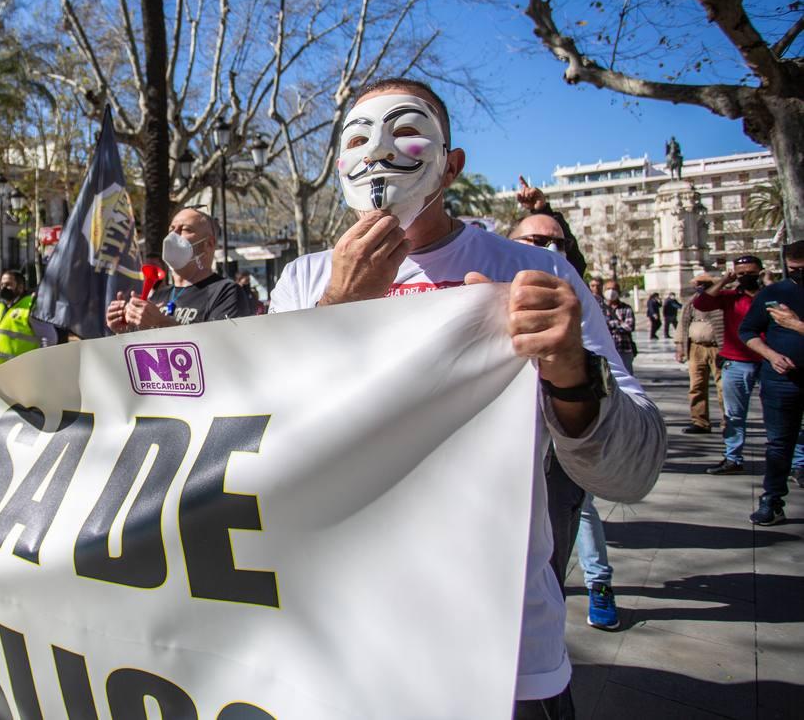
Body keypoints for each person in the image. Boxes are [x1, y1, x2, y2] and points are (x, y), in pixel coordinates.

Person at [270, 77, 664, 715]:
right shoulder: (304, 280)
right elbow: (266, 444)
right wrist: (336, 313)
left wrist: (569, 368)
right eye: (357, 138)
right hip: (341, 631)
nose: (378, 153)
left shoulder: (537, 273)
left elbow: (631, 470)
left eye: (405, 130)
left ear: (451, 166)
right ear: (339, 165)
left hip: (503, 649)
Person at [510, 213, 619, 631]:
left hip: (562, 466)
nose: (547, 250)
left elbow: (629, 471)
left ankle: (598, 583)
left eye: (558, 242)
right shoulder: (482, 286)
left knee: (561, 542)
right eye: (534, 240)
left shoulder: (573, 297)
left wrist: (573, 373)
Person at [737, 241, 804, 525]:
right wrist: (770, 355)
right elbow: (748, 330)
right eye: (794, 269)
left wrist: (796, 325)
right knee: (779, 444)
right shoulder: (774, 293)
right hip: (782, 382)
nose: (799, 273)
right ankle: (772, 499)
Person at [106, 208, 246, 332]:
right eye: (171, 229)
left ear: (208, 244)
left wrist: (161, 322)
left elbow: (221, 347)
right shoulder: (159, 296)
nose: (173, 235)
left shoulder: (226, 292)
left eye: (185, 229)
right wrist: (125, 329)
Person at [693, 255, 765, 475]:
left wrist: (769, 283)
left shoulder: (771, 295)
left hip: (770, 362)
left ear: (760, 272)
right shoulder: (730, 297)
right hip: (736, 362)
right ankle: (733, 458)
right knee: (733, 415)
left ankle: (796, 463)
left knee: (781, 414)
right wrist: (724, 280)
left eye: (751, 273)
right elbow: (701, 303)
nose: (746, 277)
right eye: (741, 273)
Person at [675, 275, 724, 435]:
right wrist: (680, 346)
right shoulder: (691, 303)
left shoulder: (720, 300)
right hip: (695, 347)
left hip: (717, 347)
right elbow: (682, 325)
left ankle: (728, 421)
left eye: (703, 284)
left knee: (723, 386)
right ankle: (699, 421)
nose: (700, 286)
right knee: (696, 386)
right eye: (698, 284)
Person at [0, 270, 42, 369]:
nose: (4, 287)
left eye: (8, 284)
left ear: (20, 287)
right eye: (2, 284)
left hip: (20, 372)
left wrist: (39, 366)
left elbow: (49, 338)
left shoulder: (31, 306)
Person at [602, 285, 638, 375]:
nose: (611, 291)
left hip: (624, 348)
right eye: (608, 289)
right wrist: (620, 323)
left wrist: (610, 324)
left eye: (614, 289)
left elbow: (629, 327)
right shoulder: (599, 308)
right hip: (605, 350)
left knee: (626, 376)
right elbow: (600, 327)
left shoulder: (626, 308)